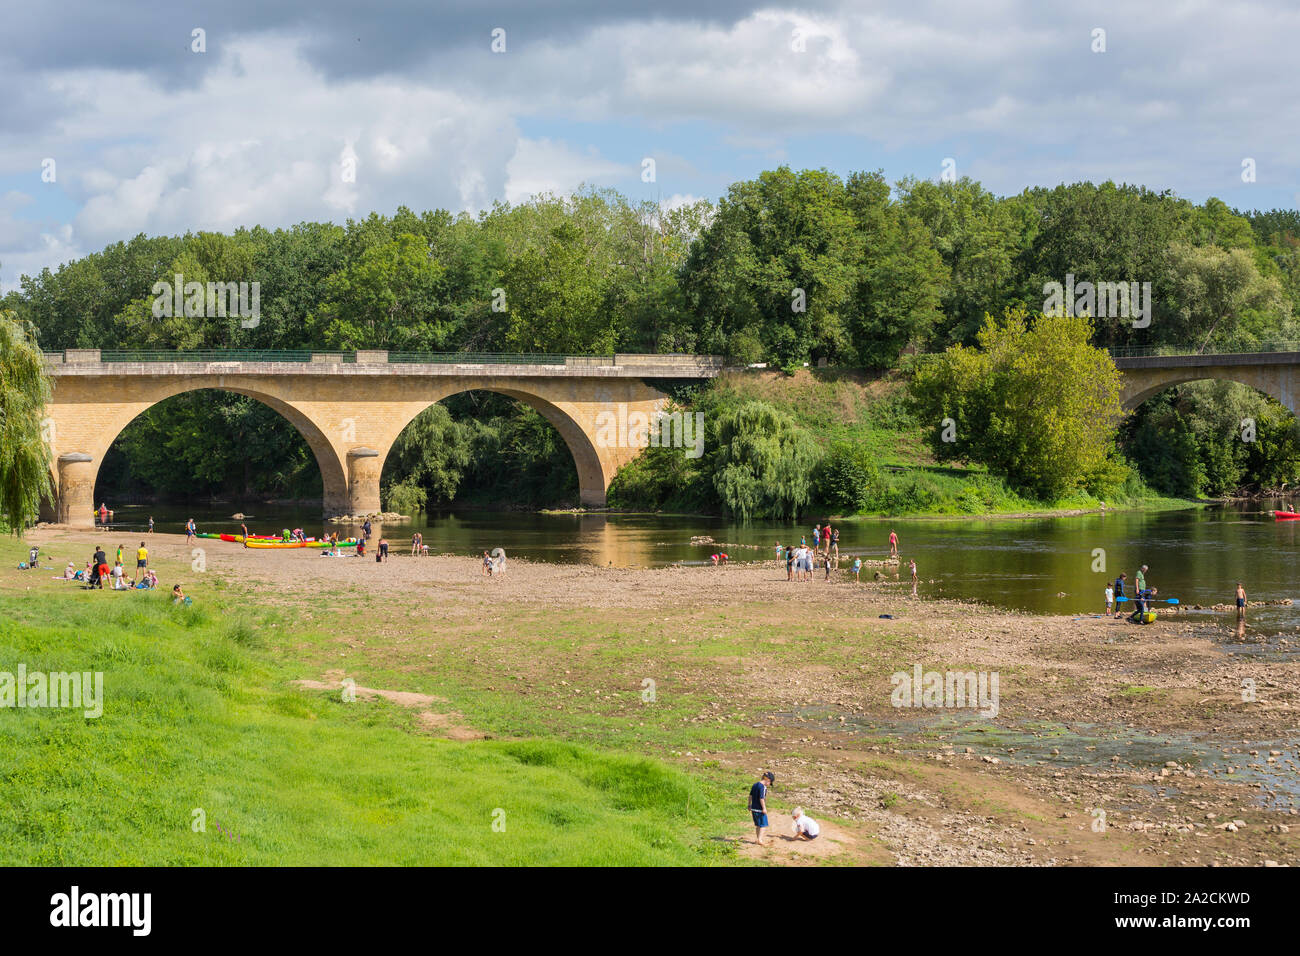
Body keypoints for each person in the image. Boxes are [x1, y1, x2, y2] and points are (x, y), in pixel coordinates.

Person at [749, 771, 774, 846]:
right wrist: (764, 808)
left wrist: (749, 805)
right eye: (770, 783)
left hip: (753, 808)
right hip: (760, 809)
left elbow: (750, 796)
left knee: (758, 825)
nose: (769, 785)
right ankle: (760, 839)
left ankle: (758, 838)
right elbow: (761, 798)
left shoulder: (755, 785)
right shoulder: (763, 787)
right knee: (763, 825)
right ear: (768, 780)